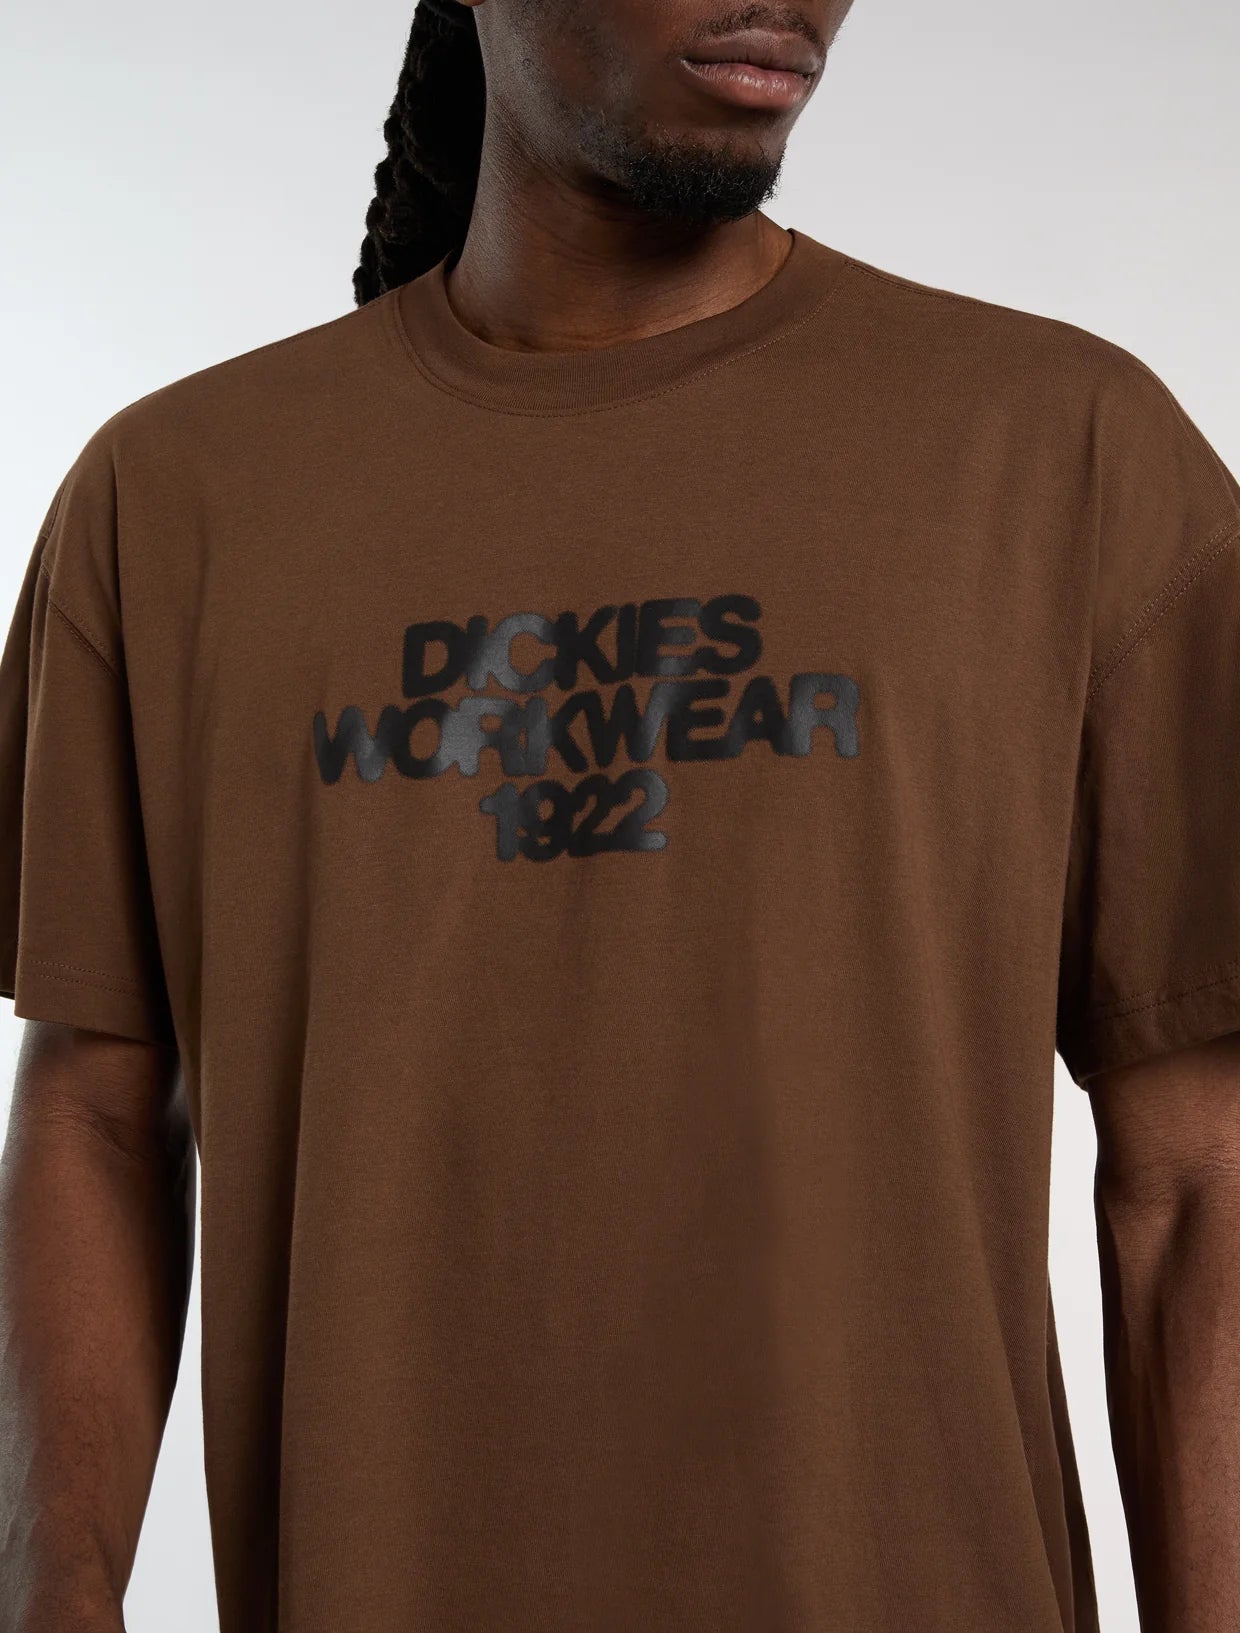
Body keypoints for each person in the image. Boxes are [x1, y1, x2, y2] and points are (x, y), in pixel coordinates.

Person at [1, 0, 1237, 1627]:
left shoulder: (1072, 453)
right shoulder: (171, 503)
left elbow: (1197, 1172)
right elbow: (97, 1111)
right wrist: (54, 1591)